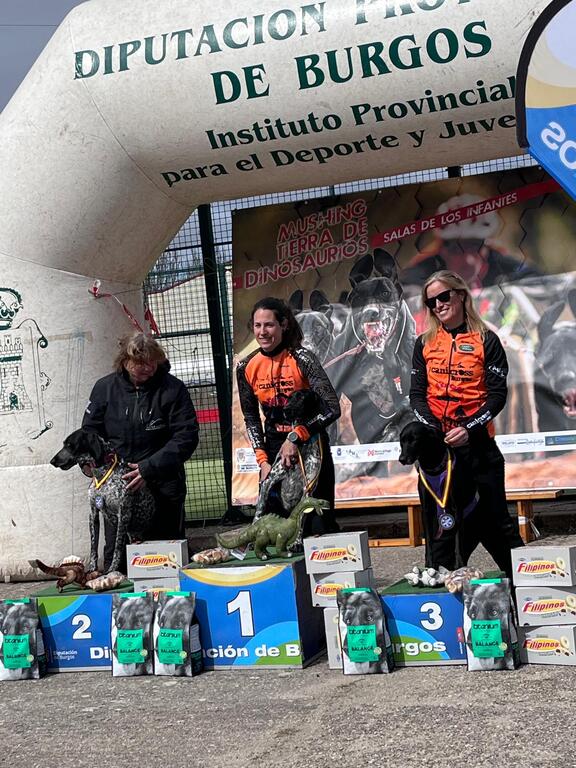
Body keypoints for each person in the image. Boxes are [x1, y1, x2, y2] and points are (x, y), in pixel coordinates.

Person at [409, 270, 524, 578]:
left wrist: (469, 429)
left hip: (478, 450)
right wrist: (434, 430)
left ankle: (528, 591)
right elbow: (416, 396)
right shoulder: (423, 343)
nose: (438, 305)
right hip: (439, 456)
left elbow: (497, 396)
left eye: (444, 296)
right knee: (440, 531)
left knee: (497, 524)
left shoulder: (487, 339)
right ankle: (442, 590)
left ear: (460, 295)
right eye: (431, 301)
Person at [82, 332, 199, 569]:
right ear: (125, 361)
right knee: (116, 562)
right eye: (140, 363)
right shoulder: (104, 388)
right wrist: (89, 465)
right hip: (118, 488)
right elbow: (90, 434)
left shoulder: (173, 389)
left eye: (152, 362)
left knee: (165, 562)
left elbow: (186, 436)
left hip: (162, 486)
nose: (147, 368)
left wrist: (148, 468)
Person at [237, 297, 341, 537]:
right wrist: (263, 461)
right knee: (275, 528)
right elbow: (251, 417)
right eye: (257, 325)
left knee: (317, 525)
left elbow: (331, 407)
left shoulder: (303, 358)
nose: (262, 332)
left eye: (269, 325)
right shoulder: (246, 366)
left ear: (283, 325)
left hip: (310, 444)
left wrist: (296, 437)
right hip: (274, 447)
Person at [400, 194, 542, 291]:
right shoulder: (423, 268)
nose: (468, 259)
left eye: (475, 247)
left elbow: (536, 277)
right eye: (456, 249)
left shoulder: (500, 261)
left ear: (488, 246)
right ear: (441, 249)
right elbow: (404, 285)